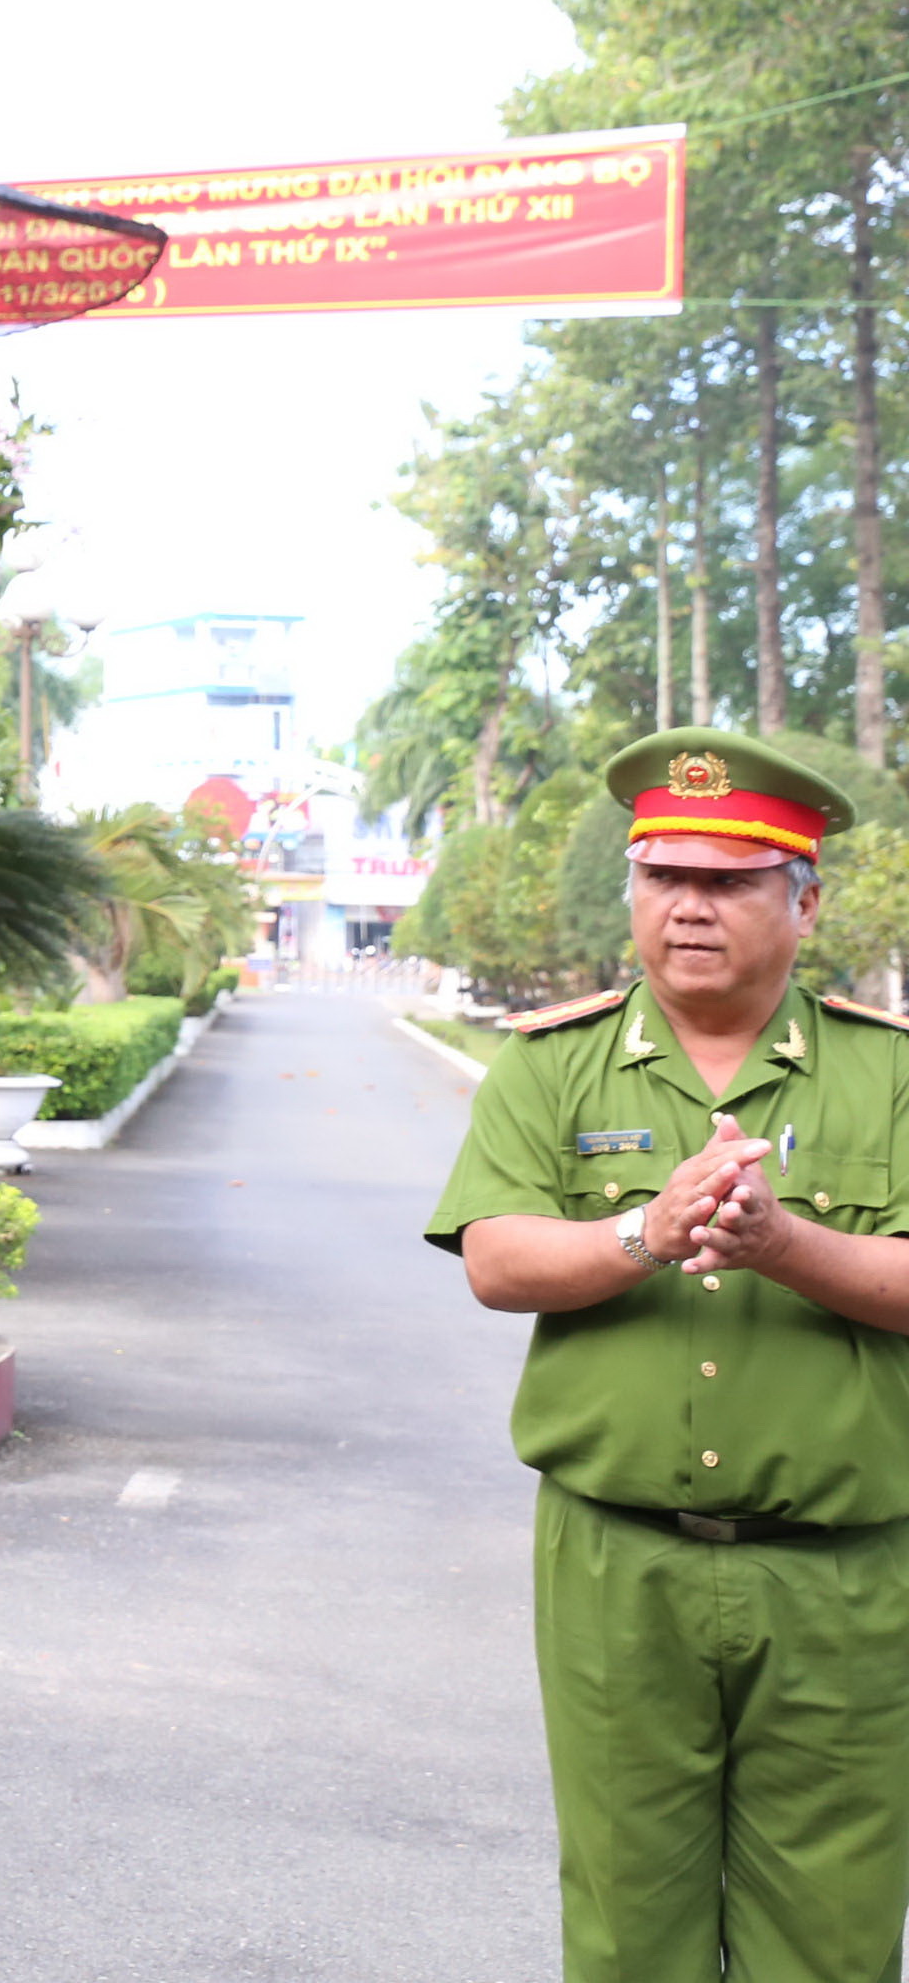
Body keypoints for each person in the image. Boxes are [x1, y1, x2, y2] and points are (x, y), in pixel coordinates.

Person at [428, 725, 909, 1980]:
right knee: (627, 1921)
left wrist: (783, 1243)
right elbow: (495, 1257)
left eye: (733, 879)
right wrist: (648, 1229)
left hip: (848, 1577)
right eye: (664, 875)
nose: (690, 905)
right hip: (615, 1564)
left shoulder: (890, 1071)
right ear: (632, 889)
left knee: (837, 1933)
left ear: (805, 899)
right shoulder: (550, 1062)